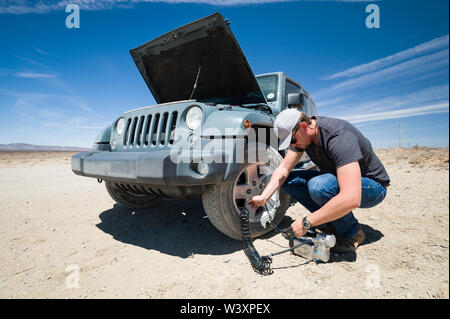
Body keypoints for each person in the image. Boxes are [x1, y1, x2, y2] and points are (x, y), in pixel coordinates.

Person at [248, 109, 390, 253]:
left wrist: (307, 222)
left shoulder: (338, 136)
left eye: (292, 140)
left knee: (320, 186)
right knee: (288, 180)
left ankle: (352, 234)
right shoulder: (304, 138)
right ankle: (330, 221)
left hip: (373, 187)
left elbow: (352, 198)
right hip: (338, 180)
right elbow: (283, 169)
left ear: (303, 126)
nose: (293, 145)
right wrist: (264, 197)